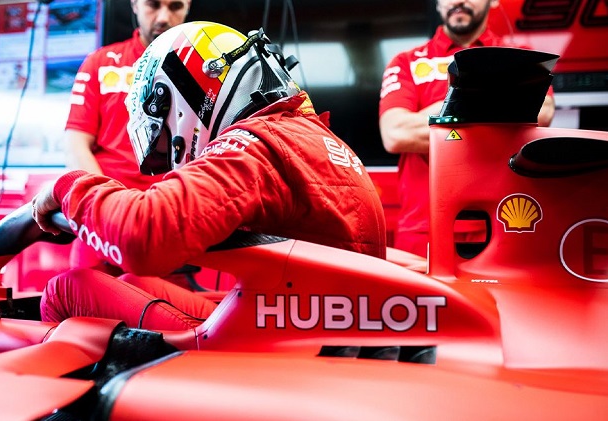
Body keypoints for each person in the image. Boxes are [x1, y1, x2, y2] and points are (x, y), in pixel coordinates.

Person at [31, 21, 387, 331]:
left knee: (66, 290)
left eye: (166, 133)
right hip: (309, 320)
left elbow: (143, 236)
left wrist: (68, 187)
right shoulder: (304, 133)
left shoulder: (256, 145)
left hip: (287, 339)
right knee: (134, 281)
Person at [378, 0, 555, 258]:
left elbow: (544, 112)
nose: (457, 1)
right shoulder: (407, 61)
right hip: (425, 228)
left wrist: (443, 115)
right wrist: (495, 105)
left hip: (505, 224)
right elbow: (395, 133)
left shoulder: (520, 55)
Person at [65, 0, 190, 271]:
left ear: (188, 6)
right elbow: (76, 144)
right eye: (153, 5)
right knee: (76, 294)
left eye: (175, 6)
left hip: (170, 228)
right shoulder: (101, 63)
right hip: (101, 224)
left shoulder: (204, 70)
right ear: (134, 4)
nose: (163, 17)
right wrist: (110, 207)